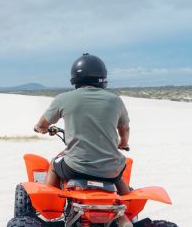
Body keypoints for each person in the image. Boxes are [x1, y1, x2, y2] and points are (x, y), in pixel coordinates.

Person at [33, 53, 131, 195]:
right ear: (102, 77)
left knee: (54, 163)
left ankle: (50, 204)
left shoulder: (63, 98)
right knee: (115, 174)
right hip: (111, 170)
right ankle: (126, 206)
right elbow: (124, 127)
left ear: (75, 78)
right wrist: (123, 143)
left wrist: (41, 129)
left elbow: (42, 124)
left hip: (75, 168)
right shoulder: (115, 100)